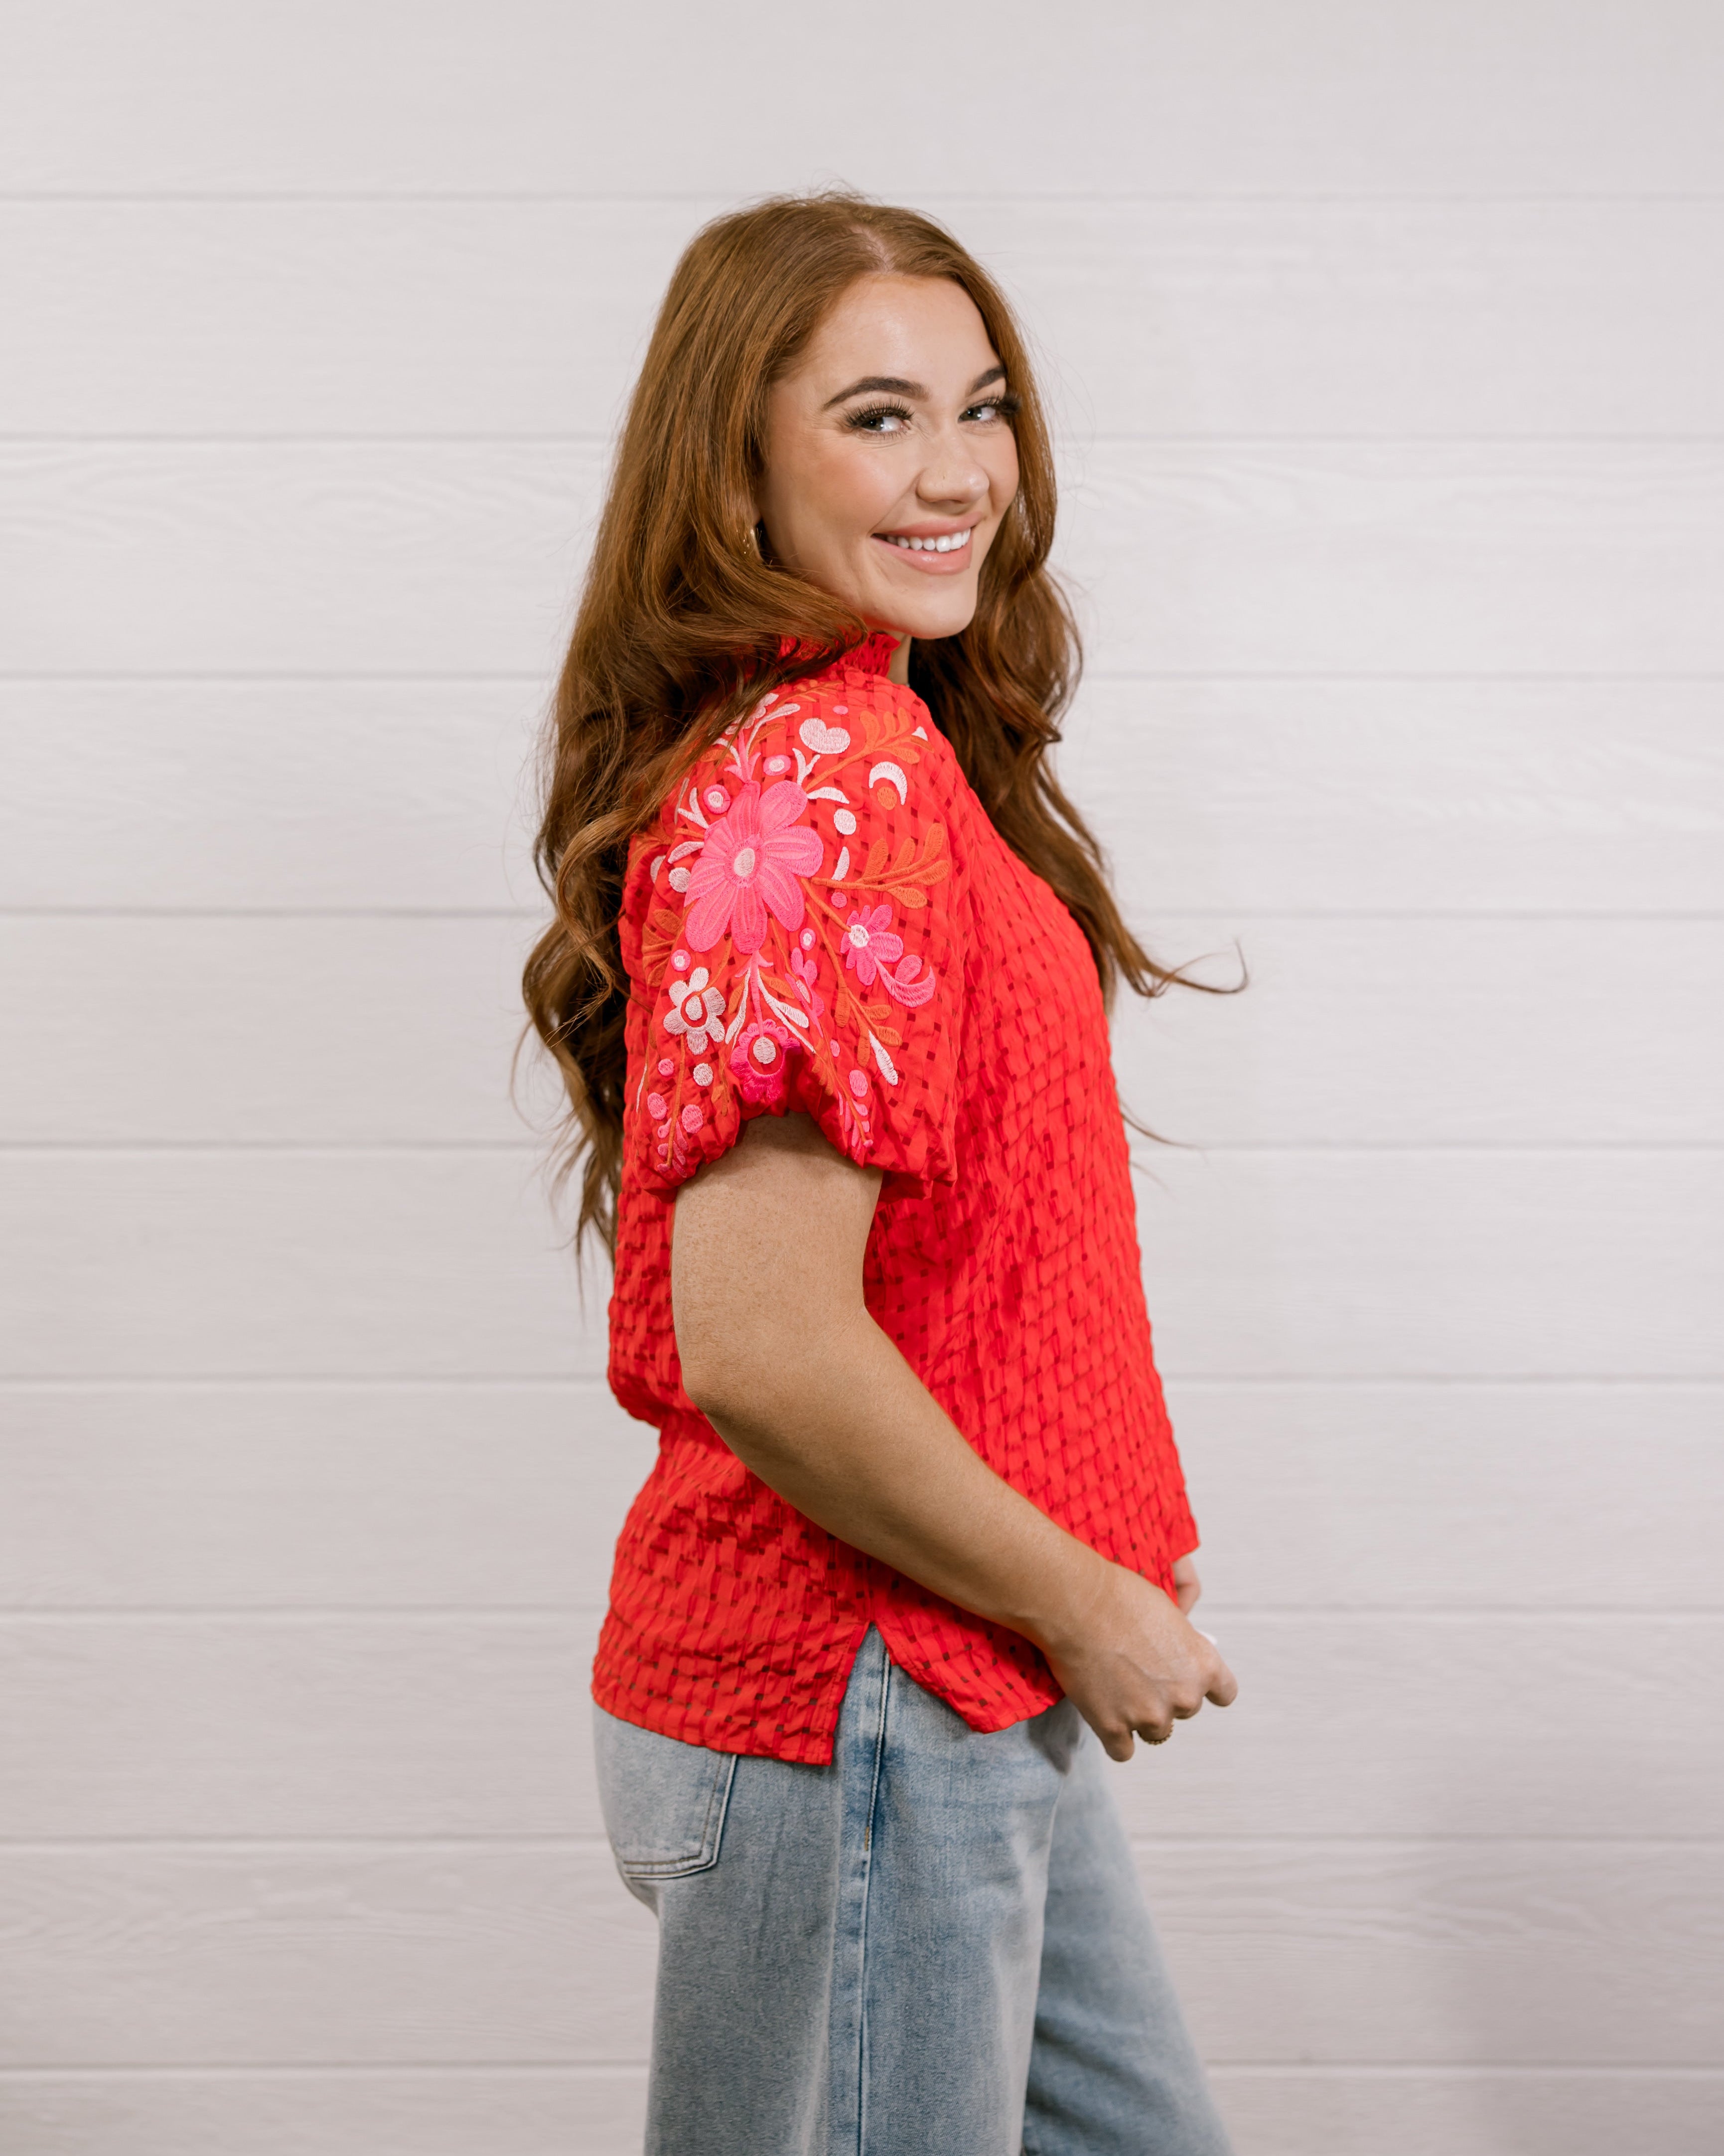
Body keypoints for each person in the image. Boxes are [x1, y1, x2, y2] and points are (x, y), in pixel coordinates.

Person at [524, 193, 1238, 2156]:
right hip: (862, 1693)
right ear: (736, 459)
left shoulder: (883, 754)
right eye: (876, 416)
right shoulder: (821, 781)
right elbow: (764, 1344)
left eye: (981, 408)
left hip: (943, 1679)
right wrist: (1081, 1594)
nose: (957, 476)